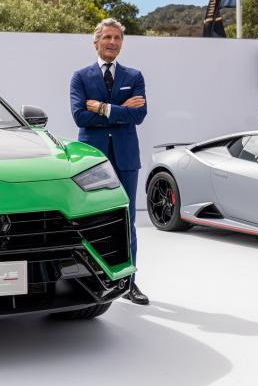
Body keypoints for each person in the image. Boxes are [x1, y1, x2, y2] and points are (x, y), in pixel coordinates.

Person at [69, 18, 149, 305]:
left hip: (126, 158)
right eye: (107, 38)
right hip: (92, 160)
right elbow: (80, 116)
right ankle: (90, 281)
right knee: (90, 220)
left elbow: (138, 115)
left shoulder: (134, 76)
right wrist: (120, 110)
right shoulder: (80, 77)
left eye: (117, 38)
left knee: (127, 220)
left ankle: (130, 284)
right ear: (96, 41)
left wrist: (102, 108)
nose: (112, 42)